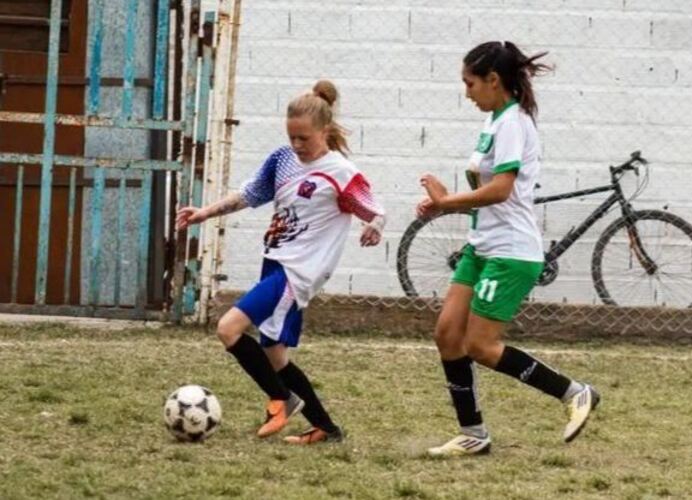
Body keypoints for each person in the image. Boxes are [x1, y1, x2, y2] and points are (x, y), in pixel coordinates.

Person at [176, 80, 385, 444]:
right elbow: (250, 194)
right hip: (274, 262)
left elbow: (374, 210)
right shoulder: (283, 159)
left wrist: (374, 226)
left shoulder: (339, 172)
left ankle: (282, 400)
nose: (297, 145)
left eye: (304, 138)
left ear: (324, 131)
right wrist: (204, 213)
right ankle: (326, 428)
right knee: (274, 354)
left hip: (297, 272)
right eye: (292, 137)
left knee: (228, 329)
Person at [417, 41, 599, 456]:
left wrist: (447, 203)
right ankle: (474, 434)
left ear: (493, 81)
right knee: (447, 334)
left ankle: (574, 392)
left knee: (480, 345)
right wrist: (444, 204)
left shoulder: (514, 122)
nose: (466, 92)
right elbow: (490, 193)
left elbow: (501, 191)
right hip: (481, 247)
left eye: (470, 83)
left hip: (510, 252)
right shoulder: (495, 121)